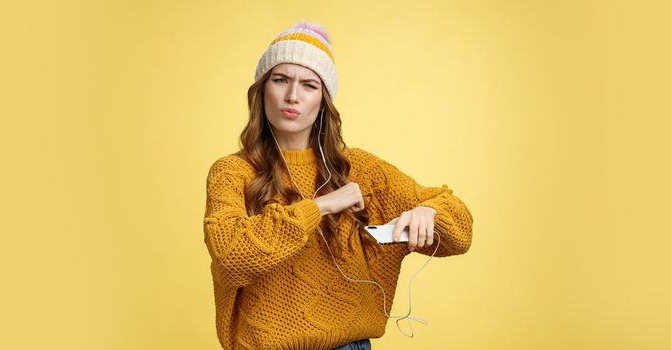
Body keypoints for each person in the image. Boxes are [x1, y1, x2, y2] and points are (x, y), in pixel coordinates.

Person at [203, 21, 474, 350]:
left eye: (309, 85)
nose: (292, 95)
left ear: (323, 100)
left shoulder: (357, 169)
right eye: (281, 80)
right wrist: (322, 206)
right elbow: (231, 256)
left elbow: (459, 230)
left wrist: (430, 214)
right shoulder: (233, 172)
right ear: (262, 90)